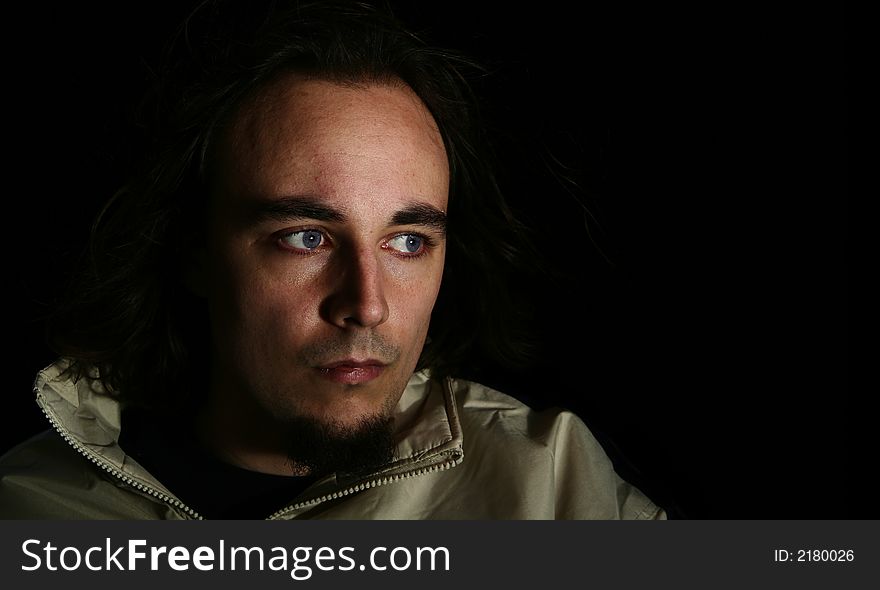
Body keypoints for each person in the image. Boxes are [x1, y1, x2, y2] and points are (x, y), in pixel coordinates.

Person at [0, 0, 666, 520]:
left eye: (408, 242)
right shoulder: (28, 512)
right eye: (306, 237)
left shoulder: (549, 489)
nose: (367, 303)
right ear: (192, 252)